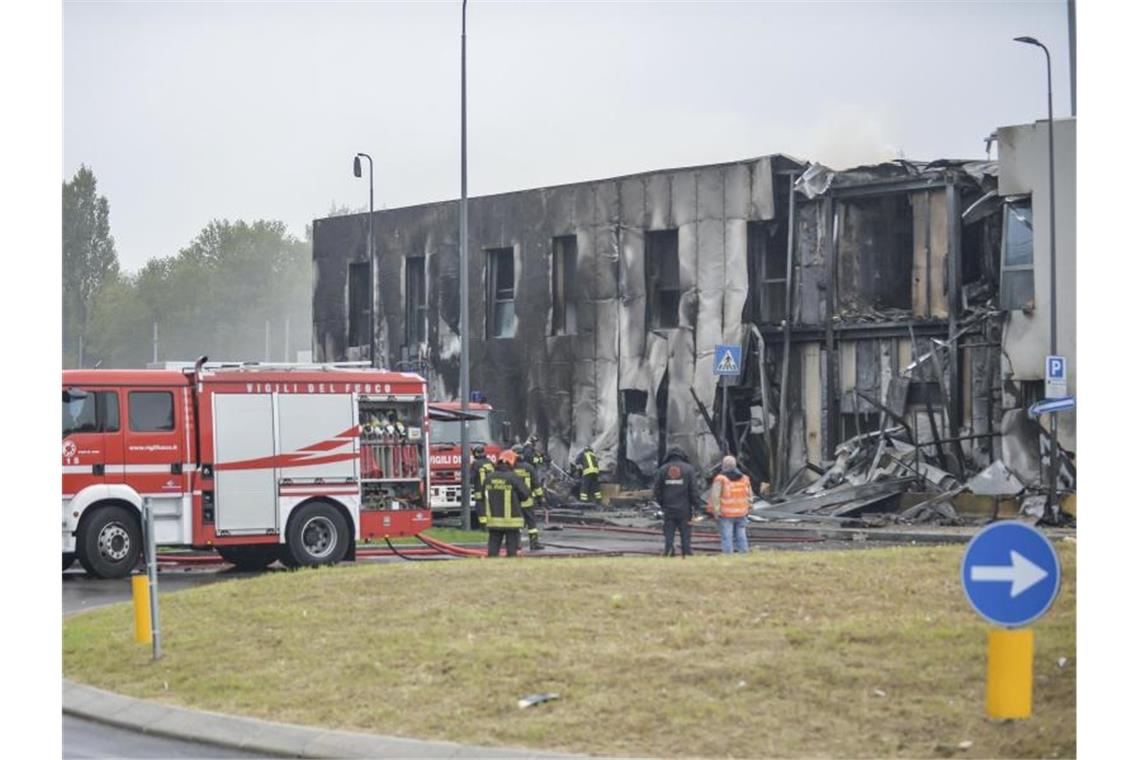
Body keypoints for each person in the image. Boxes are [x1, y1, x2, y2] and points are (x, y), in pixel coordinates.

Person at [652, 446, 702, 557]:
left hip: (668, 508)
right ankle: (686, 553)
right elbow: (693, 490)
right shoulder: (689, 469)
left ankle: (669, 551)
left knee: (669, 533)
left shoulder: (662, 469)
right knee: (685, 533)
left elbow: (656, 490)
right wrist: (697, 506)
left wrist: (662, 504)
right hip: (685, 509)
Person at [482, 449, 531, 557]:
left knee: (493, 549)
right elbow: (526, 494)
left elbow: (481, 496)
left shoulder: (489, 477)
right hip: (512, 521)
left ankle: (491, 566)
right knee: (512, 551)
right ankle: (509, 567)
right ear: (511, 462)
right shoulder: (513, 477)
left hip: (493, 521)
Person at [708, 455, 753, 554]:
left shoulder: (720, 479)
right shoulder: (745, 478)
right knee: (741, 535)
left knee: (727, 536)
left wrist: (716, 511)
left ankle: (728, 555)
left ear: (723, 465)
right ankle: (744, 553)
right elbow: (749, 495)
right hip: (741, 512)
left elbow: (715, 496)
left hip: (726, 513)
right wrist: (748, 508)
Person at [510, 444, 545, 550]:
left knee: (517, 523)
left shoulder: (511, 468)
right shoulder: (529, 467)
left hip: (515, 502)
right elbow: (536, 485)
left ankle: (516, 544)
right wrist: (540, 498)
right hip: (528, 501)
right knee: (531, 523)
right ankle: (534, 543)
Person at [469, 444, 495, 530]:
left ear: (475, 453)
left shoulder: (475, 464)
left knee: (481, 510)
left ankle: (483, 528)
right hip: (491, 490)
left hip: (480, 491)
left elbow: (471, 478)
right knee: (490, 508)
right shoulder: (490, 462)